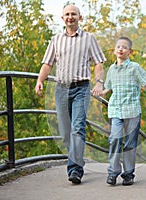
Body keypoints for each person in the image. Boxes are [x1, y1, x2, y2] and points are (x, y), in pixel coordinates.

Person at [35, 4, 106, 184]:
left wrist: (99, 82)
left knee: (77, 128)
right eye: (67, 14)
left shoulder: (89, 38)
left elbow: (98, 63)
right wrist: (40, 80)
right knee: (65, 133)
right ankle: (77, 156)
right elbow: (47, 63)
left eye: (73, 14)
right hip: (61, 89)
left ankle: (75, 170)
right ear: (62, 18)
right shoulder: (56, 39)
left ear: (79, 17)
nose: (70, 17)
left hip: (81, 88)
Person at [102, 36, 146, 186]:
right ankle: (113, 172)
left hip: (132, 111)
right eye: (118, 46)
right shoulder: (111, 69)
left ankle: (128, 174)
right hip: (115, 110)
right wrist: (101, 91)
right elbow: (109, 87)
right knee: (115, 139)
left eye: (124, 47)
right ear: (114, 50)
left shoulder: (135, 67)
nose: (120, 49)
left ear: (130, 51)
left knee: (130, 144)